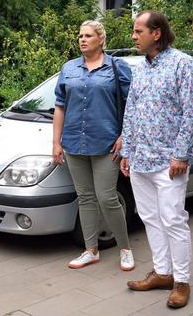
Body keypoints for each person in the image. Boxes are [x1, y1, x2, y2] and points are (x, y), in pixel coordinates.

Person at [120, 10, 193, 308]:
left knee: (173, 220)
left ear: (156, 33)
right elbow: (131, 111)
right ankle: (162, 272)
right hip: (140, 159)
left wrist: (180, 154)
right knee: (150, 218)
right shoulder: (139, 69)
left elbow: (191, 113)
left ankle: (181, 281)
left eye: (138, 31)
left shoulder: (183, 65)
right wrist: (127, 150)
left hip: (169, 162)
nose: (133, 36)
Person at [53, 20, 134, 271]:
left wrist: (125, 136)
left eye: (88, 35)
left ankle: (125, 248)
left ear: (101, 39)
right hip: (74, 142)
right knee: (85, 198)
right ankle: (91, 250)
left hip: (106, 143)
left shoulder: (117, 68)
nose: (82, 39)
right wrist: (56, 142)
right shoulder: (69, 68)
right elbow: (60, 105)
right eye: (80, 36)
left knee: (107, 197)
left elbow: (133, 104)